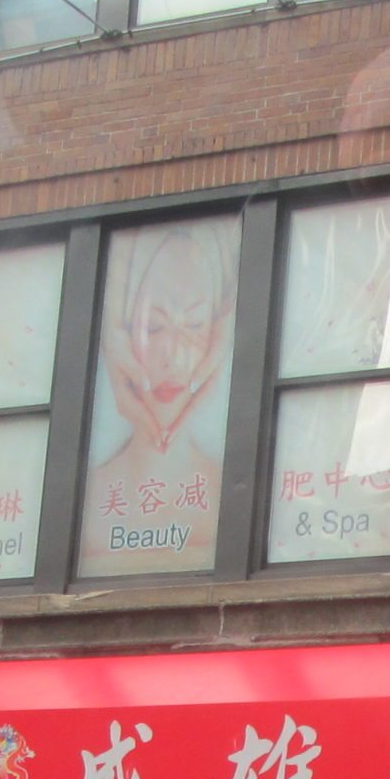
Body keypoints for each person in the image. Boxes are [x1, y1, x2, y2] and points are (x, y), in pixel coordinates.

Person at [81, 219, 239, 573]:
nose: (173, 356)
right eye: (153, 327)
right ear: (117, 335)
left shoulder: (237, 497)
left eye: (195, 325)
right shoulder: (82, 504)